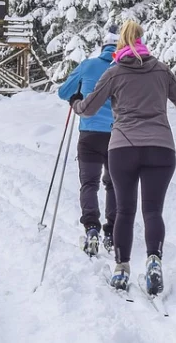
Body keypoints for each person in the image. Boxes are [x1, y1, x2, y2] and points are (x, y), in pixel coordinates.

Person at [70, 19, 176, 296]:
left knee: (126, 211)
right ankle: (153, 260)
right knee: (153, 211)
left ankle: (121, 269)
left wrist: (76, 104)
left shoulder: (114, 73)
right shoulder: (162, 70)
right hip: (161, 148)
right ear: (142, 40)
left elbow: (89, 107)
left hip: (123, 148)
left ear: (121, 44)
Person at [56, 25, 120, 257]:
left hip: (90, 134)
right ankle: (111, 232)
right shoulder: (124, 69)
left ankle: (91, 228)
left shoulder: (88, 65)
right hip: (118, 136)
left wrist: (76, 96)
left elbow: (64, 92)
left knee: (89, 184)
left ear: (103, 47)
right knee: (113, 184)